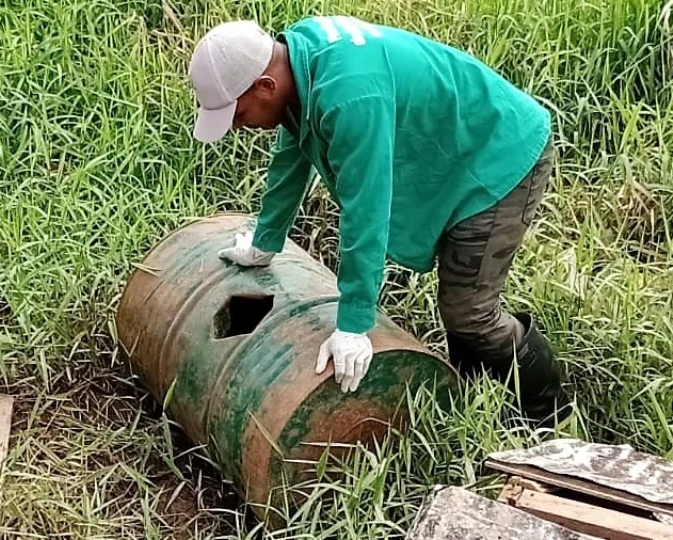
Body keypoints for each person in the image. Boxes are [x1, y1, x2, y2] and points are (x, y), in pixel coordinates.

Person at [186, 16, 569, 424]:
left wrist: (354, 324)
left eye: (239, 114)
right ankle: (473, 402)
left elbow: (366, 209)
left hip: (501, 158)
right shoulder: (299, 58)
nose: (239, 127)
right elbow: (292, 155)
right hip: (461, 147)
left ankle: (550, 414)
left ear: (265, 86)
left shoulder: (349, 96)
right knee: (460, 303)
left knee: (470, 311)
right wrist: (265, 241)